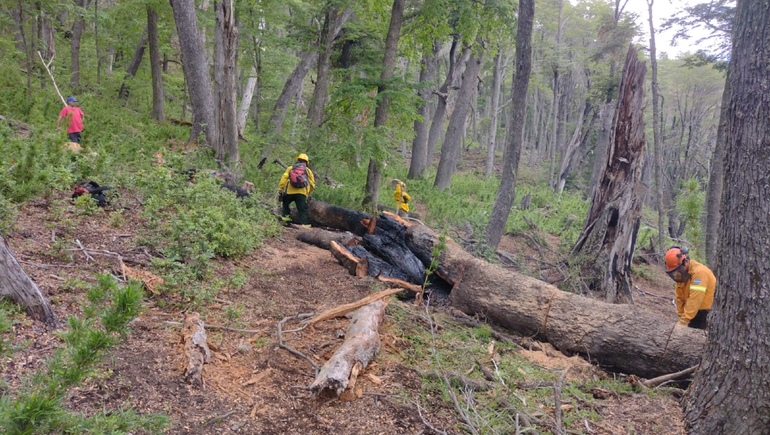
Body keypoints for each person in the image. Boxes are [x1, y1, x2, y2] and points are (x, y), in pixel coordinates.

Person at [664, 246, 716, 329]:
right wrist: (681, 316)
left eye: (677, 270)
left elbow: (695, 299)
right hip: (692, 312)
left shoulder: (700, 273)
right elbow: (679, 296)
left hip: (705, 314)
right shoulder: (683, 274)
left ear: (686, 261)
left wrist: (684, 320)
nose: (676, 274)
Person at [278, 153, 315, 226]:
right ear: (306, 162)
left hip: (289, 192)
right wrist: (308, 193)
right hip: (302, 193)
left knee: (285, 206)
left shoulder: (290, 168)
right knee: (302, 210)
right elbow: (312, 184)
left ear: (297, 160)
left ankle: (286, 223)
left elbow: (284, 179)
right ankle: (305, 226)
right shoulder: (308, 171)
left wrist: (280, 189)